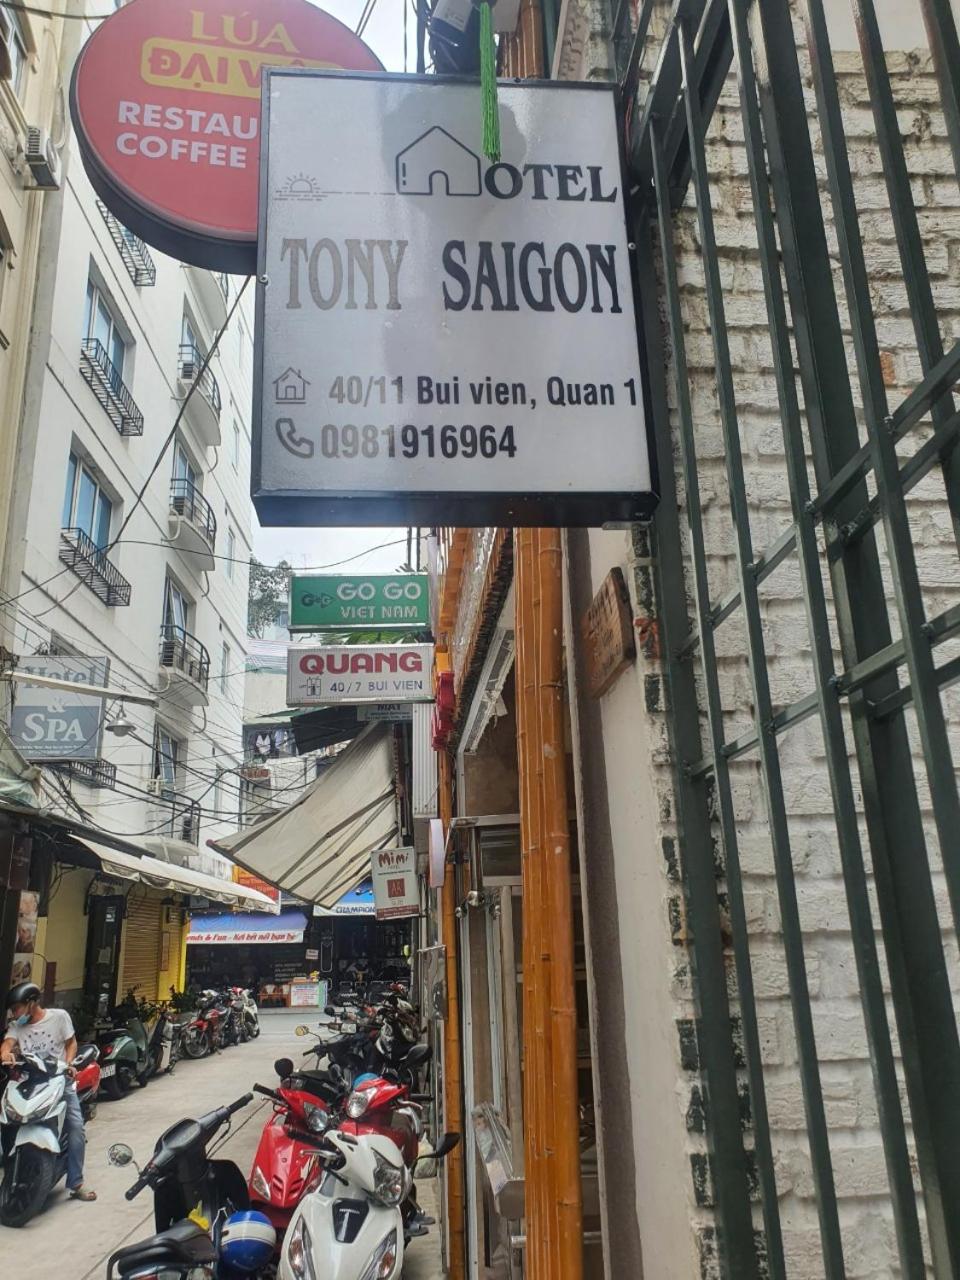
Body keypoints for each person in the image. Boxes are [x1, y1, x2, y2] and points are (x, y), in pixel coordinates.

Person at [0, 982, 96, 1202]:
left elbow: (71, 1043)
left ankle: (77, 1182)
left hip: (58, 1080)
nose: (14, 1014)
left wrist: (69, 1063)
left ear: (31, 1003)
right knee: (8, 1122)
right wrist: (5, 1054)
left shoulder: (59, 1017)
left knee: (76, 1127)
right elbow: (7, 1044)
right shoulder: (16, 1026)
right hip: (28, 1082)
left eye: (16, 1008)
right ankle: (12, 1172)